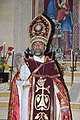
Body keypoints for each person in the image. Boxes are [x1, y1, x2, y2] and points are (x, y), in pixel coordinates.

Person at [8, 14, 72, 120]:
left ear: (45, 47)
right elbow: (19, 82)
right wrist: (23, 66)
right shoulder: (26, 63)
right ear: (32, 47)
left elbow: (59, 86)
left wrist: (63, 103)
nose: (37, 46)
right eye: (35, 44)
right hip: (28, 100)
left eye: (40, 44)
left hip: (49, 101)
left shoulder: (51, 64)